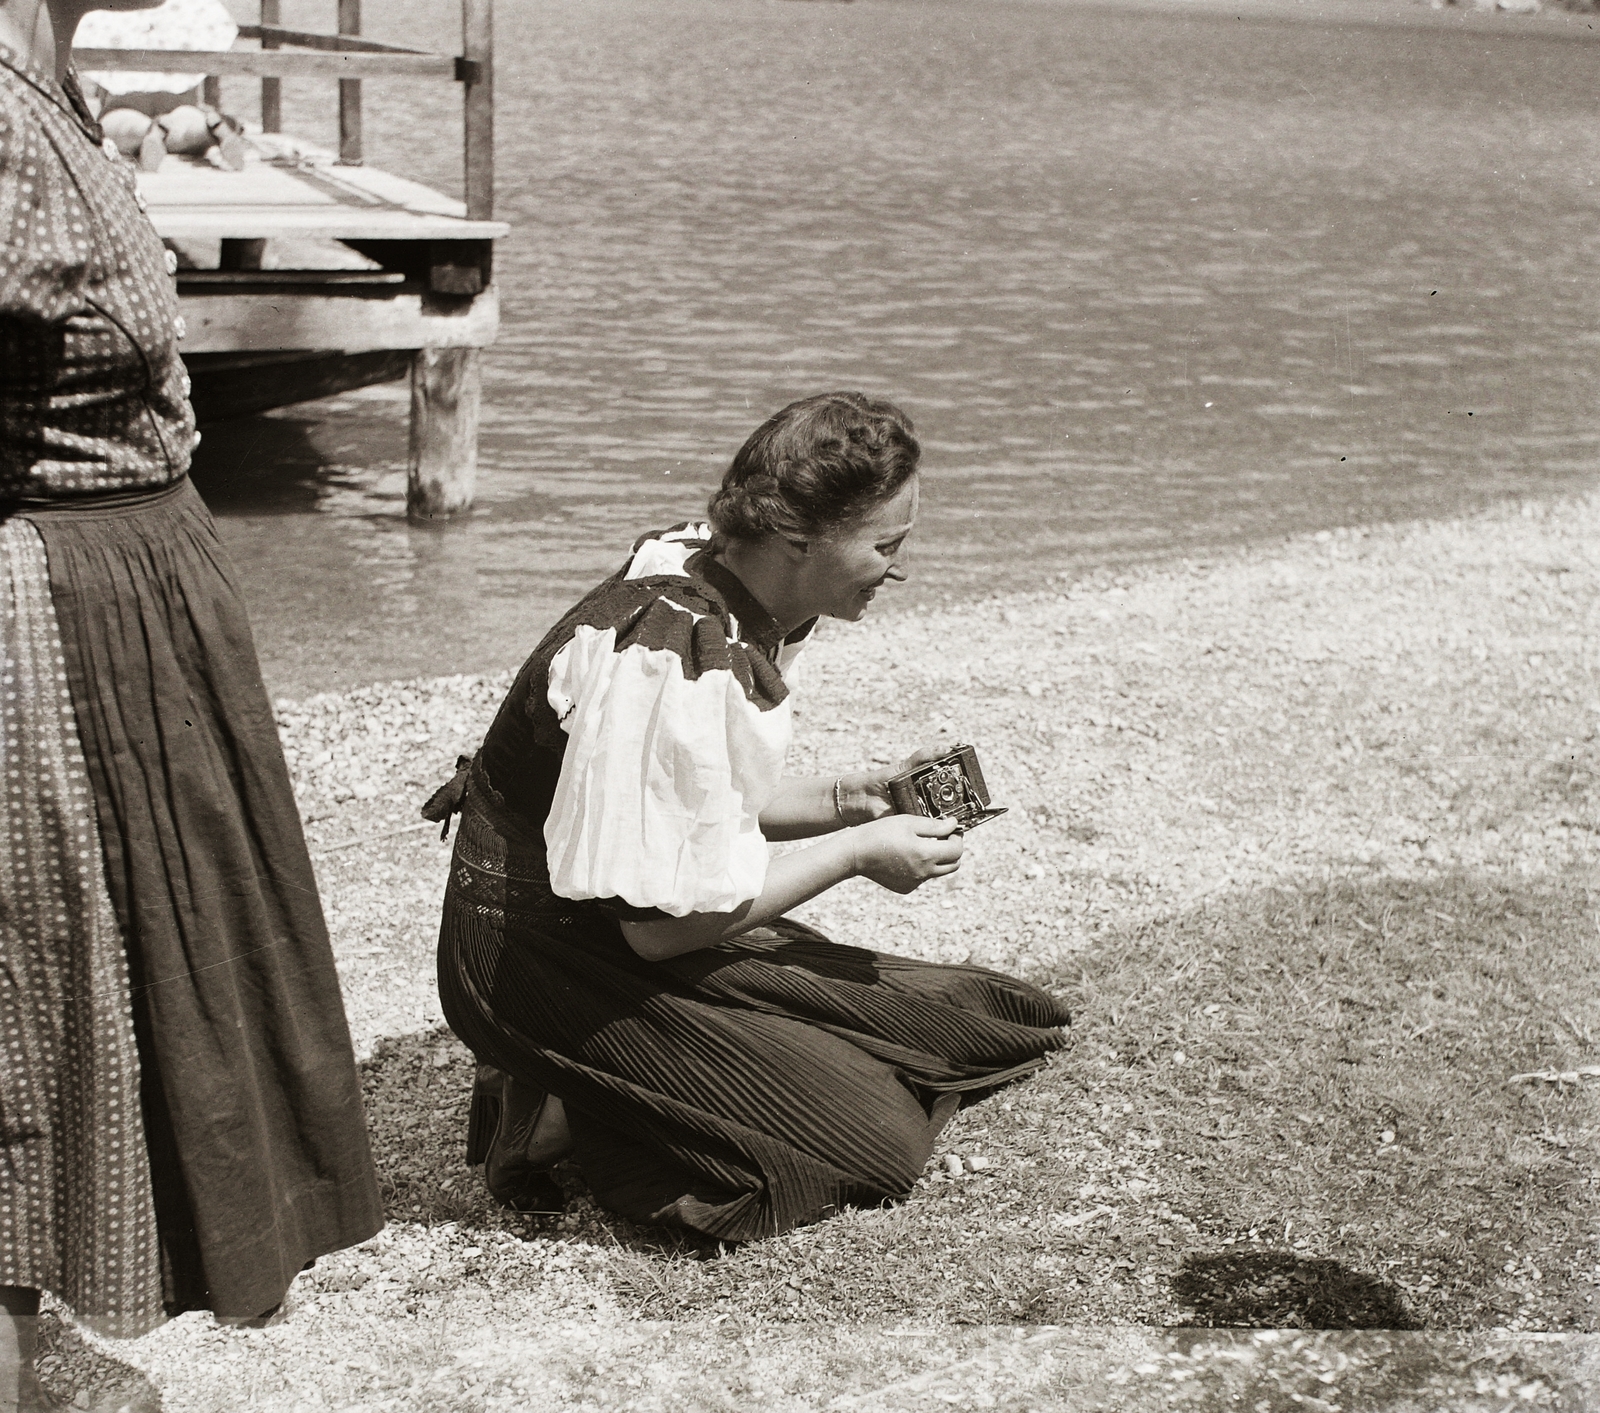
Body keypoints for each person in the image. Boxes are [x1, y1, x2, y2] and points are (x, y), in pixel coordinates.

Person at [430, 392, 1070, 1240]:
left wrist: (863, 794)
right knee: (874, 1146)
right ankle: (552, 1109)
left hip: (611, 912)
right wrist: (855, 853)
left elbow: (696, 806)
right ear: (800, 540)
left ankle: (605, 1082)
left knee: (987, 1018)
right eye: (886, 546)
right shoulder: (668, 645)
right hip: (533, 954)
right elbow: (658, 931)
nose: (899, 570)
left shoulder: (735, 583)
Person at [0, 2, 382, 1406]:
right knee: (36, 982)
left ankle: (27, 1333)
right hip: (54, 593)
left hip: (123, 571)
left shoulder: (46, 84)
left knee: (91, 971)